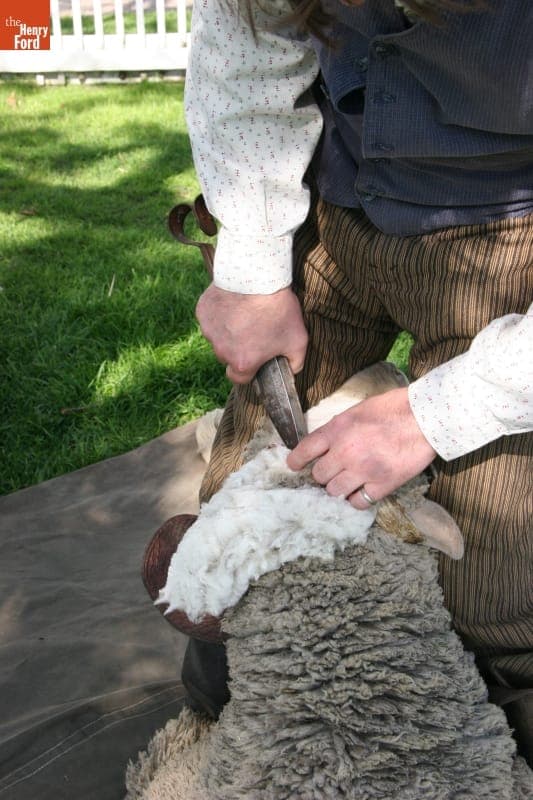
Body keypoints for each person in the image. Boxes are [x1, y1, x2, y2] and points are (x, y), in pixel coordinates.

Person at [179, 0, 533, 764]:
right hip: (338, 206)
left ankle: (485, 738)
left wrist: (445, 410)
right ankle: (249, 673)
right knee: (250, 488)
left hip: (514, 240)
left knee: (495, 585)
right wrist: (251, 266)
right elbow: (249, 46)